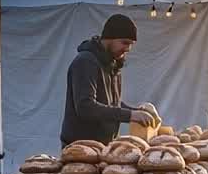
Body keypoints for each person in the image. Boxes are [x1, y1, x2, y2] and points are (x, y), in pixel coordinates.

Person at [60, 14, 158, 146]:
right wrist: (130, 115)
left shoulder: (113, 63)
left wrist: (136, 111)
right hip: (80, 148)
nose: (128, 49)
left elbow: (111, 103)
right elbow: (85, 107)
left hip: (104, 146)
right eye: (125, 42)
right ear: (109, 37)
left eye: (131, 44)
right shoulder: (86, 62)